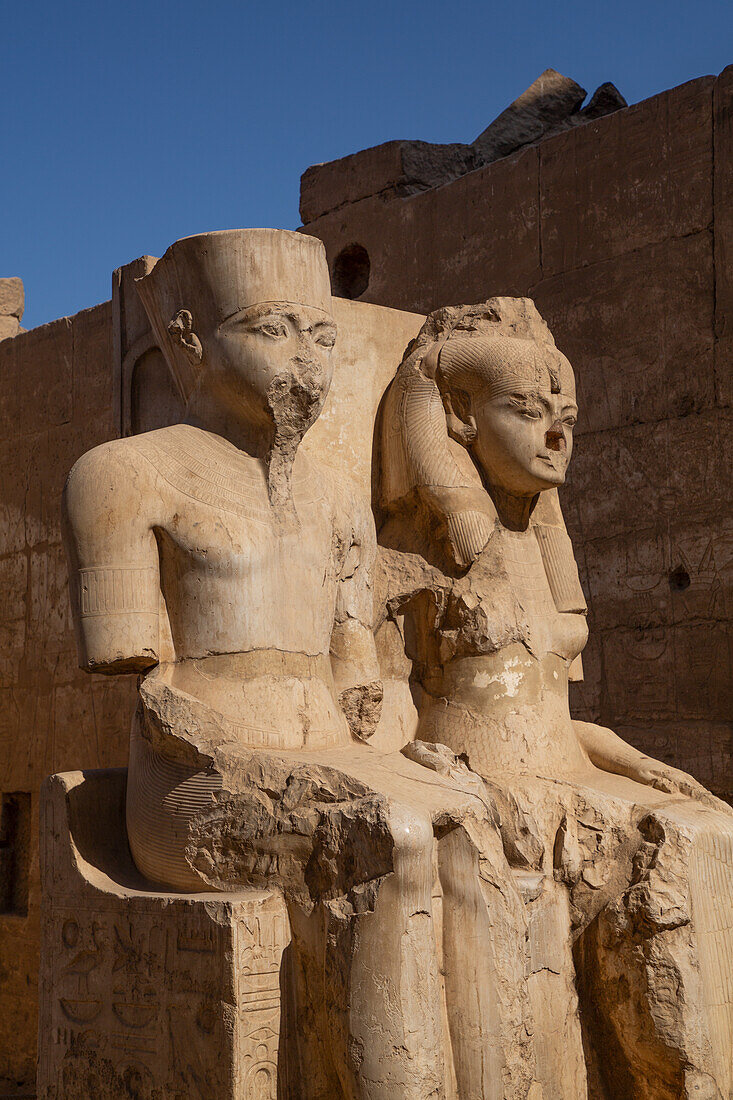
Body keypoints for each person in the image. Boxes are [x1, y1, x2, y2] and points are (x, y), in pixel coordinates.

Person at [62, 231, 529, 1099]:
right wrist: (279, 757)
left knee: (473, 827)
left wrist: (385, 728)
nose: (307, 362)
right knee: (388, 839)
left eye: (321, 336)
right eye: (274, 330)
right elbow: (141, 673)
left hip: (323, 759)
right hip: (187, 778)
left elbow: (358, 672)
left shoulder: (330, 496)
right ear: (192, 339)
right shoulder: (123, 475)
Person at [377, 296, 733, 1099]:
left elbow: (557, 723)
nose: (556, 435)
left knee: (708, 827)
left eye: (565, 415)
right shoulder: (406, 556)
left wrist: (642, 763)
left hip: (562, 774)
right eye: (527, 411)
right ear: (460, 417)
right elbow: (371, 714)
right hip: (477, 786)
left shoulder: (537, 554)